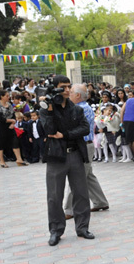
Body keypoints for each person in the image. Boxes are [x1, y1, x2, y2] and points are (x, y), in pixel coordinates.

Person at [40, 76, 94, 246]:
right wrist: (49, 109)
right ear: (54, 88)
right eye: (63, 87)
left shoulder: (76, 109)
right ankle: (56, 231)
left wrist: (65, 134)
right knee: (54, 196)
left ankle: (83, 228)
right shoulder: (46, 109)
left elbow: (85, 128)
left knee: (81, 193)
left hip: (75, 154)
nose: (67, 90)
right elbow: (48, 130)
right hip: (56, 157)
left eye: (69, 86)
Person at [64, 83, 109, 221]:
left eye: (70, 92)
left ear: (78, 95)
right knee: (88, 176)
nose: (68, 94)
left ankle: (69, 209)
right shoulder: (80, 107)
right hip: (84, 145)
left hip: (82, 146)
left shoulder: (80, 109)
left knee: (76, 177)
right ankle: (100, 201)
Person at [0, 90, 27, 168]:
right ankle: (1, 161)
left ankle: (19, 159)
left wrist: (13, 122)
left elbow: (13, 115)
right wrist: (11, 120)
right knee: (1, 142)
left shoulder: (10, 104)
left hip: (10, 126)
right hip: (1, 126)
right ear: (2, 97)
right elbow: (0, 118)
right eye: (7, 96)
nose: (9, 98)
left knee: (15, 141)